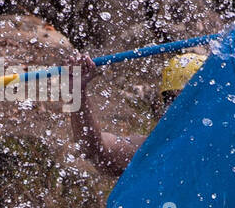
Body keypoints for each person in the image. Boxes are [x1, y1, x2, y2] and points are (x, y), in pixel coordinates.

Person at [64, 51, 207, 177]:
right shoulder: (155, 150)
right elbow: (94, 149)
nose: (179, 110)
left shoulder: (227, 146)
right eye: (172, 101)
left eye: (190, 101)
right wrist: (77, 91)